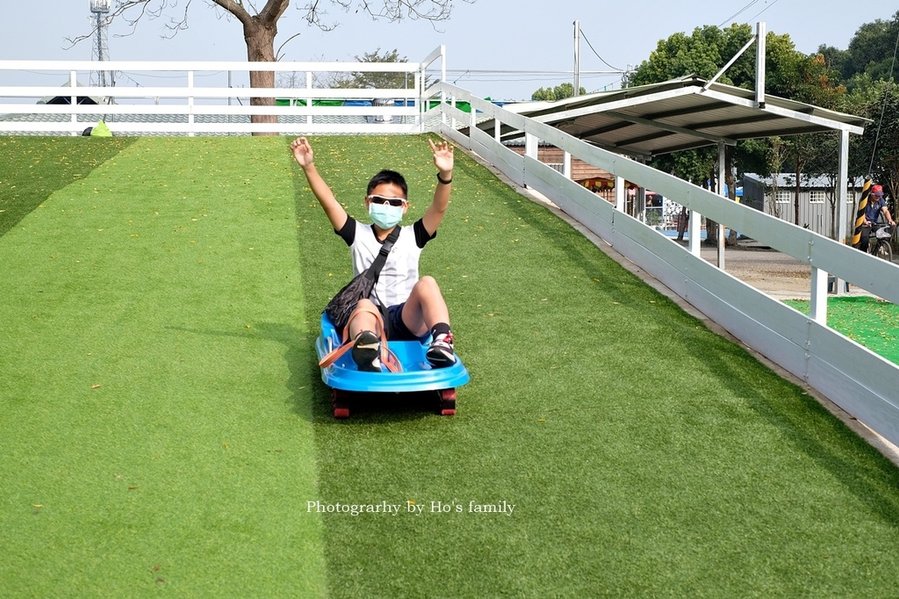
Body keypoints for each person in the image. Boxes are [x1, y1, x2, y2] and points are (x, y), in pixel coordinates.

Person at [291, 136, 457, 371]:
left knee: (427, 283)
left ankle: (442, 341)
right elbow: (328, 202)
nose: (386, 206)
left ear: (405, 207)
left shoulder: (414, 235)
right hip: (372, 316)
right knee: (363, 307)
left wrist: (445, 176)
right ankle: (367, 350)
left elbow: (439, 208)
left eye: (394, 202)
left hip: (406, 316)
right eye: (379, 200)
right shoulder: (357, 234)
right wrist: (308, 166)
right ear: (368, 203)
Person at [859, 184, 896, 253]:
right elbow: (862, 213)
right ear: (872, 194)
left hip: (874, 222)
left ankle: (876, 251)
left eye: (880, 195)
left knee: (883, 234)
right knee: (864, 239)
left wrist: (890, 220)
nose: (878, 197)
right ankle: (863, 254)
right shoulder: (864, 200)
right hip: (864, 223)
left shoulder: (881, 200)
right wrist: (865, 221)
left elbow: (885, 211)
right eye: (876, 195)